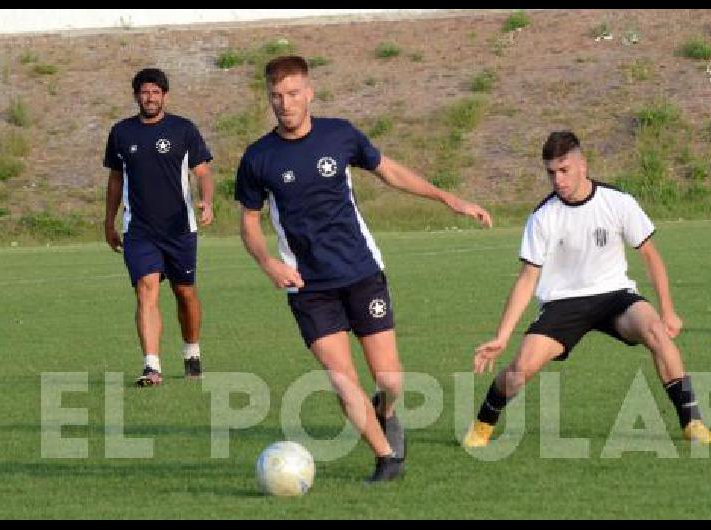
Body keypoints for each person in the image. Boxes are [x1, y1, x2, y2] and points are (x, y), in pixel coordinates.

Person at [235, 55, 493, 483]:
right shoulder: (259, 157)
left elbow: (388, 170)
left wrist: (449, 198)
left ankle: (386, 410)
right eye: (276, 96)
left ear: (309, 93)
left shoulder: (340, 134)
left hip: (361, 272)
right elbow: (248, 221)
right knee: (342, 379)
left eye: (293, 94)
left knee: (391, 380)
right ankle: (386, 457)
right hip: (308, 286)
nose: (285, 104)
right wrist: (268, 263)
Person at [463, 131, 711, 448]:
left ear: (583, 165)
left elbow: (650, 255)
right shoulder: (543, 217)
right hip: (563, 302)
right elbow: (528, 278)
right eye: (550, 172)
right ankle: (482, 425)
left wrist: (667, 310)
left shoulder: (617, 202)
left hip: (614, 296)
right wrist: (502, 336)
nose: (557, 180)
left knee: (656, 331)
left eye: (564, 169)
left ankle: (692, 423)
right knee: (520, 370)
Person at [103, 68, 214, 387]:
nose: (149, 97)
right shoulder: (121, 132)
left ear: (164, 95)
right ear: (135, 95)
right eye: (143, 92)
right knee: (146, 290)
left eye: (155, 92)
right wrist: (109, 221)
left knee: (185, 293)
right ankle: (152, 365)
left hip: (179, 228)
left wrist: (206, 202)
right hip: (139, 230)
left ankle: (191, 351)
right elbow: (115, 180)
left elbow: (203, 172)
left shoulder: (183, 129)